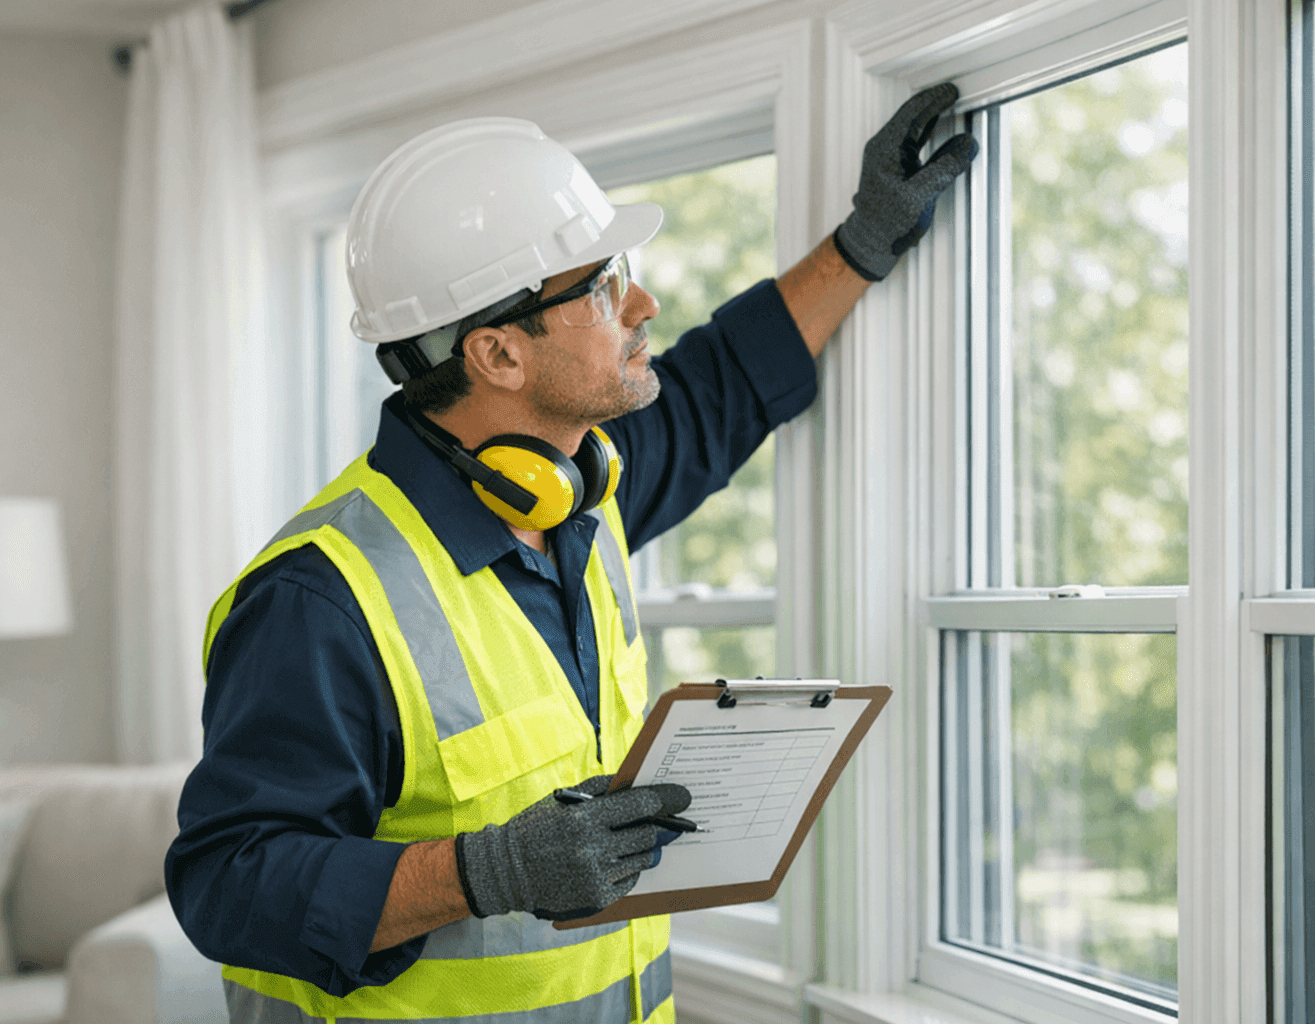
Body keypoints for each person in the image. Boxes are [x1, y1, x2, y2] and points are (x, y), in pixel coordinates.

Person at [166, 84, 976, 1024]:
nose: (642, 301)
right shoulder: (322, 599)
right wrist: (485, 871)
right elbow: (229, 884)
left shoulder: (582, 491)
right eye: (600, 286)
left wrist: (862, 244)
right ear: (498, 355)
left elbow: (723, 386)